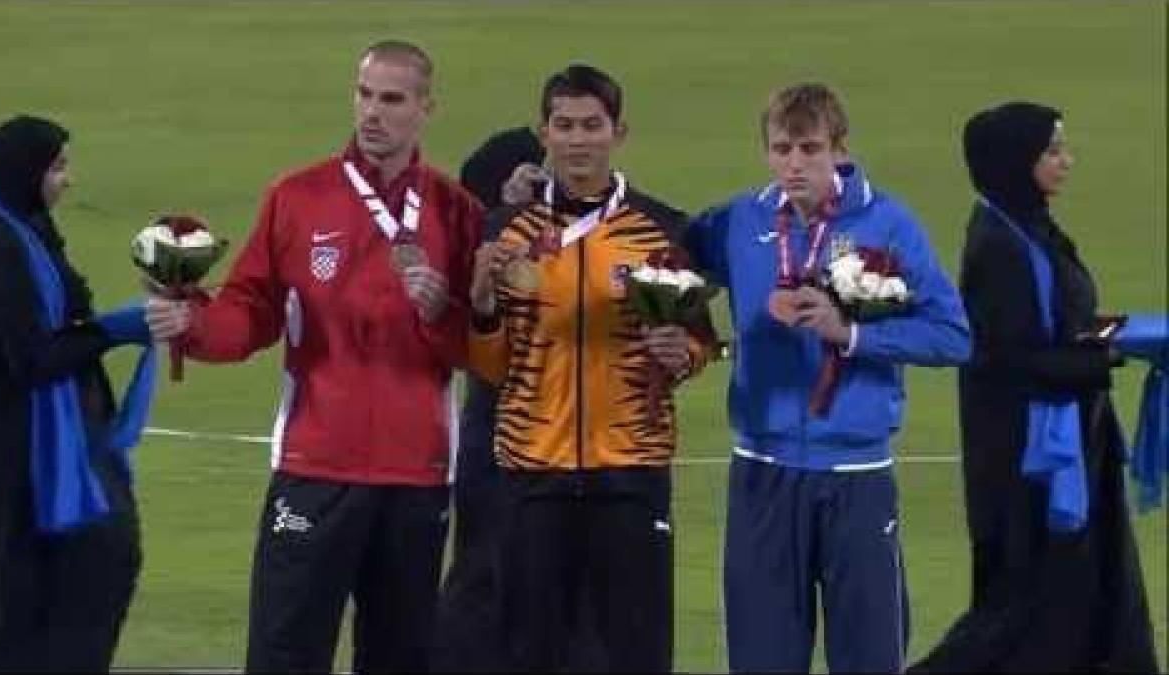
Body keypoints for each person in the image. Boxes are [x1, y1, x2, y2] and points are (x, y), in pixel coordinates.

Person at [146, 40, 483, 673]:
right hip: (315, 466)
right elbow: (250, 311)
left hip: (417, 476)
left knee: (401, 658)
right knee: (284, 653)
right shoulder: (297, 197)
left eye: (392, 99)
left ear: (425, 108)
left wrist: (441, 311)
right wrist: (193, 323)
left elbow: (485, 350)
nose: (373, 113)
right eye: (364, 95)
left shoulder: (456, 212)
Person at [684, 83, 971, 673]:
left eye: (810, 148)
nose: (794, 164)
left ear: (839, 149)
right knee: (762, 659)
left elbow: (953, 335)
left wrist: (855, 336)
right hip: (762, 471)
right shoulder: (741, 220)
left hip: (856, 476)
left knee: (868, 659)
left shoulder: (888, 223)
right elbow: (665, 248)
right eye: (781, 148)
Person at [466, 64, 716, 673]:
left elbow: (700, 342)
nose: (578, 140)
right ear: (544, 133)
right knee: (530, 652)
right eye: (565, 126)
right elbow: (491, 370)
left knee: (635, 651)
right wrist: (480, 308)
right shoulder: (507, 233)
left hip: (631, 471)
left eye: (592, 125)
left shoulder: (660, 229)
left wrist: (680, 355)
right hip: (533, 469)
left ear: (618, 132)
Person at [909, 102, 1158, 673]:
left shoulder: (1024, 225)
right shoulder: (1001, 246)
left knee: (1082, 597)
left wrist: (1112, 334)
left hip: (1066, 443)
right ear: (1015, 161)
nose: (1066, 162)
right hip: (1030, 461)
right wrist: (1110, 354)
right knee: (1022, 612)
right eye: (1052, 151)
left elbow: (1056, 325)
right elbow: (1010, 359)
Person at [0, 115, 156, 671]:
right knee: (39, 606)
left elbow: (60, 331)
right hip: (21, 466)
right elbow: (33, 359)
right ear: (26, 173)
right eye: (56, 168)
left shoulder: (25, 234)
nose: (66, 180)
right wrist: (117, 330)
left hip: (42, 452)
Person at [432, 124, 544, 673]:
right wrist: (505, 216)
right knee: (484, 573)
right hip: (497, 429)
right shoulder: (484, 235)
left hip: (556, 433)